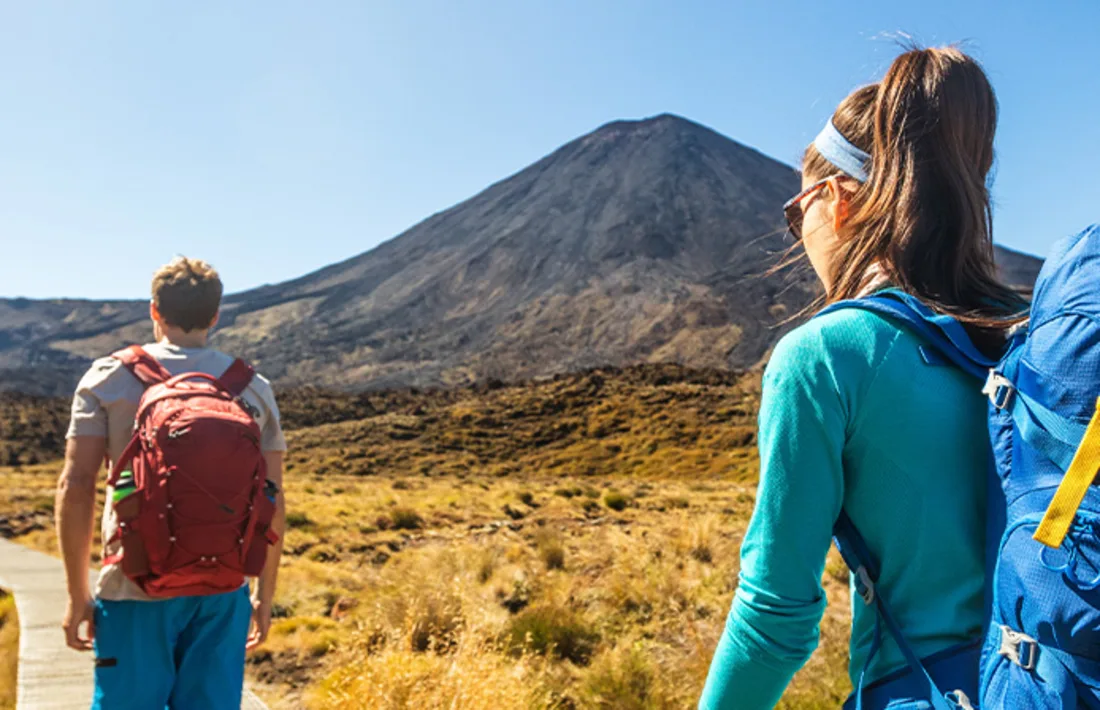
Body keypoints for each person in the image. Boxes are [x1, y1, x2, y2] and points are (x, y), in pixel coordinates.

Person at [698, 46, 1026, 709]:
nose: (800, 231)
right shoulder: (1032, 341)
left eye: (798, 211)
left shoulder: (826, 356)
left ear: (838, 198)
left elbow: (774, 620)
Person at [56, 257, 288, 709]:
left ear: (154, 310)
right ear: (215, 315)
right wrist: (264, 594)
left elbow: (76, 486)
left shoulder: (108, 378)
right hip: (223, 588)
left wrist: (77, 595)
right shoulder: (253, 388)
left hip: (131, 584)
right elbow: (273, 498)